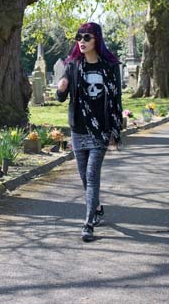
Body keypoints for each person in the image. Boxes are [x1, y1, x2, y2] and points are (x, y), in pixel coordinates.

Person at [56, 22, 122, 242]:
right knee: (84, 177)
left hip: (100, 129)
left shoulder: (110, 67)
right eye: (79, 37)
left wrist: (115, 128)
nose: (82, 41)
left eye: (87, 37)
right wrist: (61, 87)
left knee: (92, 176)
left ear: (97, 40)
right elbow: (61, 97)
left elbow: (116, 99)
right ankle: (97, 207)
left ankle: (88, 223)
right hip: (79, 128)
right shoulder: (72, 65)